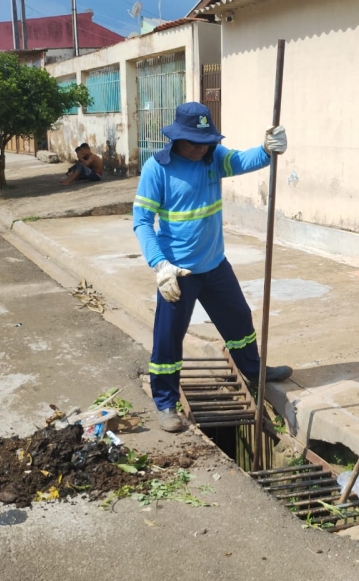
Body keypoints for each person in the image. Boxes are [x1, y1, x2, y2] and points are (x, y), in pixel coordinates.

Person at [132, 102, 293, 432]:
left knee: (239, 318)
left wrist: (266, 148)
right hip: (178, 273)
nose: (200, 148)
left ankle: (253, 369)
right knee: (168, 338)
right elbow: (142, 221)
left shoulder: (213, 158)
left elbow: (243, 160)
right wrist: (159, 265)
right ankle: (165, 402)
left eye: (205, 141)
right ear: (177, 138)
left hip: (215, 265)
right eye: (193, 142)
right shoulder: (157, 168)